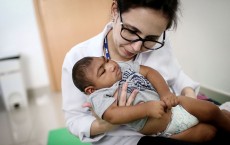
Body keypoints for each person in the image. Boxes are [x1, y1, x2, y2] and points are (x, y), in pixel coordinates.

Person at [62, 0, 229, 144]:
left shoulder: (156, 44)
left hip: (174, 107)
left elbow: (176, 75)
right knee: (209, 135)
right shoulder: (77, 58)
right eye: (131, 31)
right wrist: (107, 124)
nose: (137, 47)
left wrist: (189, 98)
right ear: (115, 11)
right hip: (132, 136)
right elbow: (75, 120)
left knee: (215, 118)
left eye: (151, 39)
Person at [72, 56, 230, 142]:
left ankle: (223, 117)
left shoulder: (122, 67)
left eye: (106, 61)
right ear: (91, 90)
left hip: (175, 105)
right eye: (102, 71)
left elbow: (149, 72)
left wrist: (165, 93)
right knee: (208, 133)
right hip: (167, 129)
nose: (111, 66)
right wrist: (146, 109)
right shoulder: (98, 97)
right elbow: (112, 115)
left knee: (212, 111)